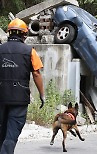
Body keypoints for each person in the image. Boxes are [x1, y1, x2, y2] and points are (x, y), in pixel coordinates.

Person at [0, 18, 45, 154]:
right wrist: (42, 95)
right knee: (11, 134)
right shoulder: (29, 51)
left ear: (9, 33)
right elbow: (36, 74)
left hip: (1, 98)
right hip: (19, 99)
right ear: (24, 34)